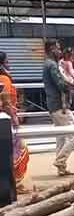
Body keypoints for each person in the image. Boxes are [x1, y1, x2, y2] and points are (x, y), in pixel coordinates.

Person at [42, 39, 74, 176]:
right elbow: (60, 84)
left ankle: (61, 168)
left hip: (53, 105)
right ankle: (60, 161)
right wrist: (70, 84)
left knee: (61, 137)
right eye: (57, 48)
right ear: (51, 49)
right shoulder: (52, 65)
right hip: (59, 105)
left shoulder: (49, 64)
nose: (60, 51)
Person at [0, 53, 31, 191]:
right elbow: (6, 102)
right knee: (21, 150)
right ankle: (16, 183)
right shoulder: (4, 79)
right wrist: (14, 117)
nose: (9, 64)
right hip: (6, 121)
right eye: (6, 61)